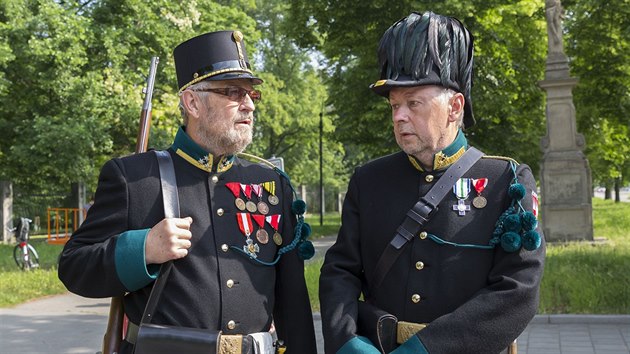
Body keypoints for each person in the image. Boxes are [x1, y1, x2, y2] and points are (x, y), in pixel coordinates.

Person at [59, 30, 317, 354]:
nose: (248, 105)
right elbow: (73, 266)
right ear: (192, 102)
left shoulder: (271, 183)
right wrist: (142, 250)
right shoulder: (135, 178)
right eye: (233, 93)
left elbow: (293, 303)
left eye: (251, 95)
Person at [319, 11, 545, 354]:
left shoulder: (506, 181)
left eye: (413, 103)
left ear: (454, 107)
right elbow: (340, 271)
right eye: (395, 105)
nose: (399, 116)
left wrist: (427, 348)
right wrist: (346, 339)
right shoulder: (370, 181)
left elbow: (517, 290)